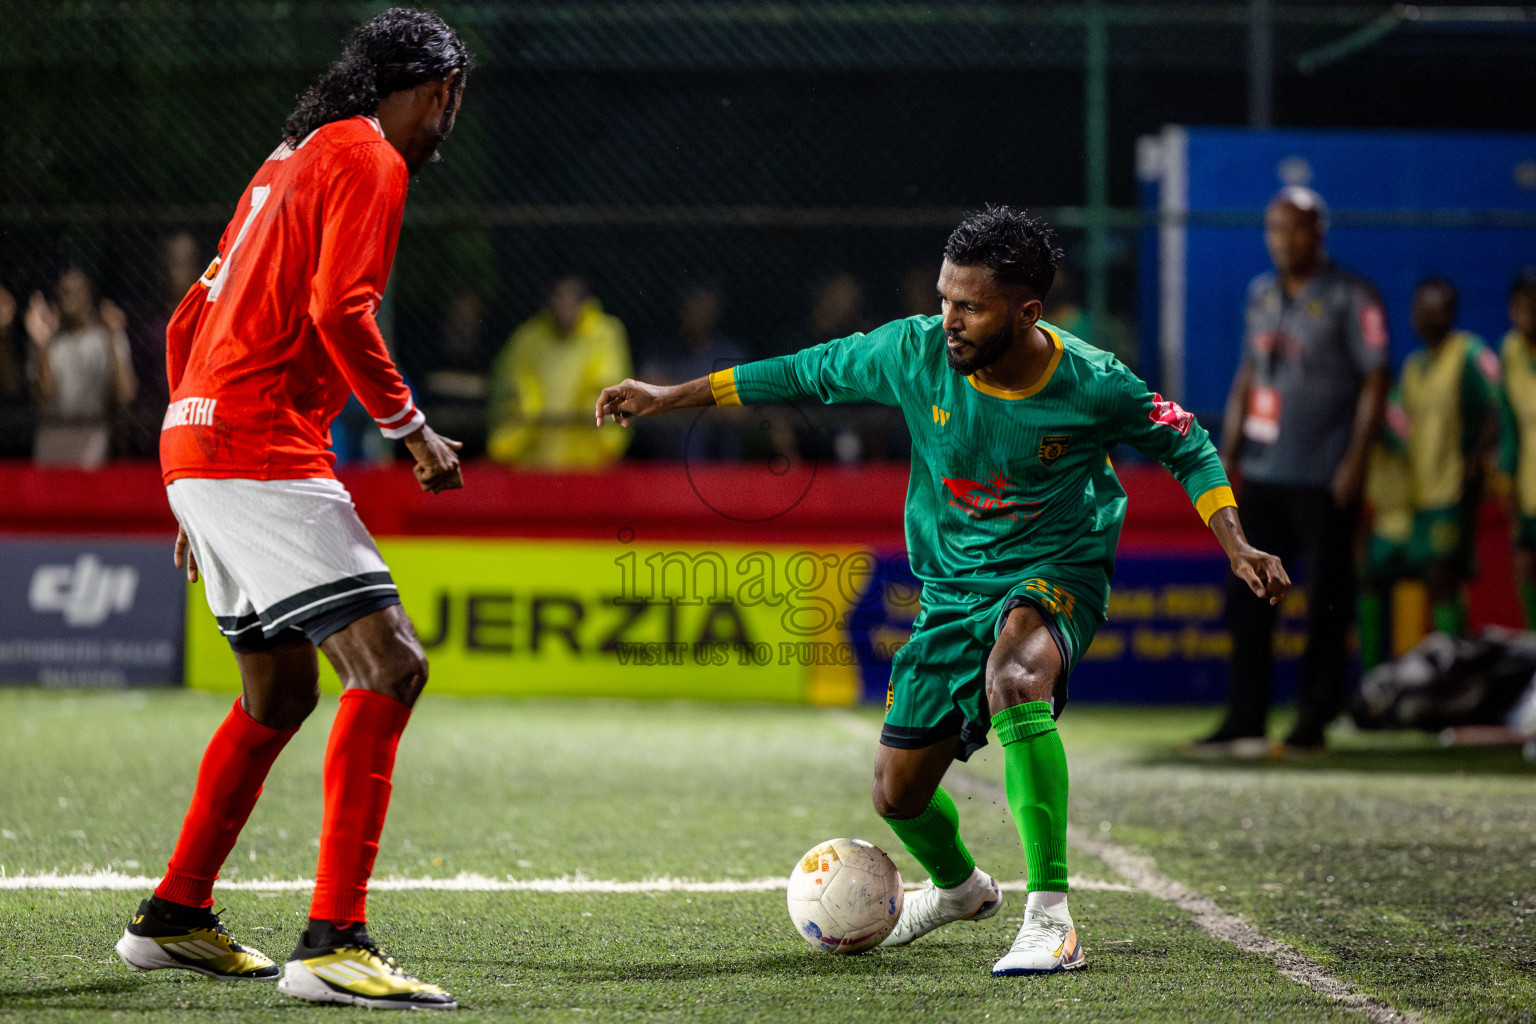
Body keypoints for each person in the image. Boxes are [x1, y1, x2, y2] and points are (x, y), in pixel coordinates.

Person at [595, 206, 1289, 976]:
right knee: (897, 796)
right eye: (944, 299)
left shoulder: (1094, 382)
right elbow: (796, 372)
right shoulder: (912, 351)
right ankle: (961, 891)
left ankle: (1051, 920)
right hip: (953, 588)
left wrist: (1235, 541)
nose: (949, 320)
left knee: (1015, 677)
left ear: (1026, 312)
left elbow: (1186, 441)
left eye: (970, 306)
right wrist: (666, 395)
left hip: (1056, 568)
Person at [113, 10, 471, 1010]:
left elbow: (193, 313)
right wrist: (411, 429)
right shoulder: (370, 159)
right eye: (452, 101)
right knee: (391, 664)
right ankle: (334, 940)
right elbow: (339, 310)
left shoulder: (289, 157)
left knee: (277, 692)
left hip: (201, 438)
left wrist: (189, 483)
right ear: (436, 90)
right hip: (261, 443)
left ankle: (175, 914)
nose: (449, 121)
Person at [1197, 186, 1389, 756]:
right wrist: (1226, 455)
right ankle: (1244, 717)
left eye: (1297, 228)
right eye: (1276, 228)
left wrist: (1356, 460)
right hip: (1264, 471)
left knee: (1327, 600)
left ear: (1319, 232)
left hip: (1326, 475)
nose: (1285, 239)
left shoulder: (1354, 297)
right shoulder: (1260, 295)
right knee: (1248, 594)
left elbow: (1377, 378)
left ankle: (1313, 719)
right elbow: (1248, 375)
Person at [1397, 277, 1499, 639]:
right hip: (1420, 494)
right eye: (1419, 306)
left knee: (1443, 575)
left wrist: (1477, 460)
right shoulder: (1412, 366)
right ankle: (1457, 659)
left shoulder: (1469, 352)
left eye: (1434, 306)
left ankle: (1457, 668)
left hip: (1454, 489)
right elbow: (1400, 424)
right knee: (1437, 580)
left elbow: (1496, 404)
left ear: (1451, 311)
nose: (1425, 314)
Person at [486, 274, 631, 468]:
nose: (563, 305)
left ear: (585, 302)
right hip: (533, 459)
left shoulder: (604, 333)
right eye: (558, 297)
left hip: (588, 462)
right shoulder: (528, 337)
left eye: (570, 298)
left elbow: (611, 384)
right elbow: (509, 385)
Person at [24, 265, 137, 468]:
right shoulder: (49, 337)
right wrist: (42, 346)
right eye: (65, 291)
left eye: (77, 290)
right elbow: (44, 394)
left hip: (91, 453)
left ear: (89, 293)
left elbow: (125, 394)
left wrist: (113, 339)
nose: (70, 296)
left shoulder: (105, 335)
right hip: (51, 449)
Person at [1498, 268, 1536, 628]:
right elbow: (1509, 424)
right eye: (1521, 306)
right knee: (1526, 566)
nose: (1529, 314)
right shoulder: (1510, 351)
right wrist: (1506, 476)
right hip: (1528, 490)